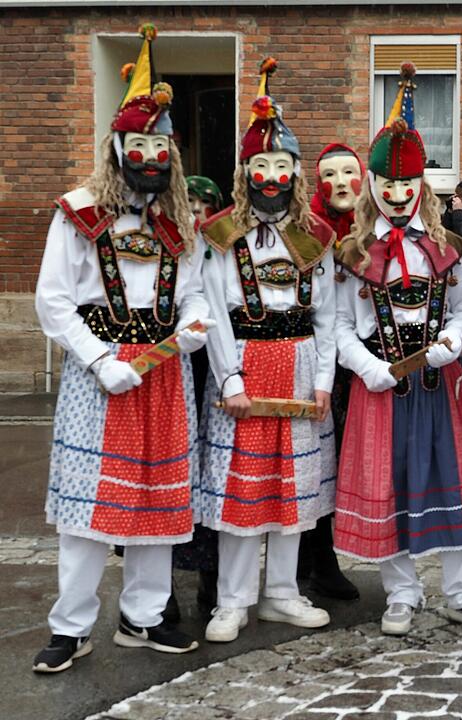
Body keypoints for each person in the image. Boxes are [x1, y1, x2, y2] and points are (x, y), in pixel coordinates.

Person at [32, 24, 208, 672]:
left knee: (157, 504)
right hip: (98, 374)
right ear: (117, 146)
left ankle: (143, 617)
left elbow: (192, 294)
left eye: (160, 145)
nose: (151, 155)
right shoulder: (75, 213)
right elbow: (51, 300)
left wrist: (193, 324)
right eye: (139, 143)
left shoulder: (177, 224)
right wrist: (101, 361)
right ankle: (71, 626)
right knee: (86, 511)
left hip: (161, 376)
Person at [333, 63, 462, 637]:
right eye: (388, 187)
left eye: (408, 186)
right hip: (381, 389)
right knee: (391, 487)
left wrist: (453, 341)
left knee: (454, 488)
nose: (398, 196)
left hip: (439, 387)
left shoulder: (448, 247)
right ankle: (400, 593)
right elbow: (335, 326)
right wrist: (368, 367)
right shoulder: (352, 252)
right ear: (372, 189)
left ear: (421, 186)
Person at [198, 58, 337, 643]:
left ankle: (281, 592)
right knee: (243, 485)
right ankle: (232, 599)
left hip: (301, 364)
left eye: (283, 165)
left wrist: (325, 378)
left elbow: (328, 314)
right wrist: (229, 379)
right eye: (262, 165)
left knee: (293, 486)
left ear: (295, 172)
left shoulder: (317, 235)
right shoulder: (221, 235)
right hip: (247, 364)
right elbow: (210, 312)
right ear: (246, 171)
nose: (273, 175)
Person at [295, 143, 366, 601]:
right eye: (329, 175)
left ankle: (319, 556)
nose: (340, 183)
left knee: (345, 462)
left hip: (361, 364)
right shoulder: (309, 234)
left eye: (349, 172)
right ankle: (314, 558)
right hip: (318, 366)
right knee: (315, 462)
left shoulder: (375, 231)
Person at [164, 175, 225, 623]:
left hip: (214, 376)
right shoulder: (168, 249)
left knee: (213, 485)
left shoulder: (223, 250)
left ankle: (214, 583)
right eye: (191, 202)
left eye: (207, 204)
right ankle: (157, 591)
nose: (198, 212)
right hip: (170, 371)